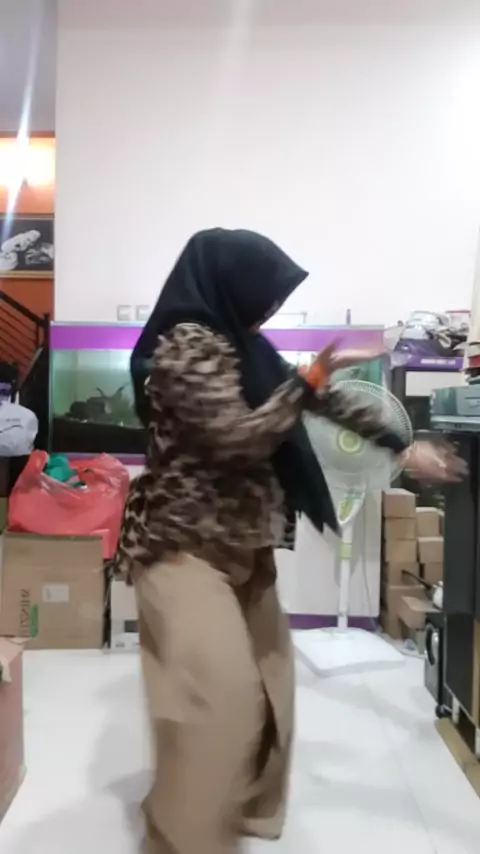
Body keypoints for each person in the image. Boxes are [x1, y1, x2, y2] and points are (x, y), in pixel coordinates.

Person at [115, 228, 464, 854]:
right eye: (266, 295)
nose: (271, 309)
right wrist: (309, 380)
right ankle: (182, 837)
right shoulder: (186, 345)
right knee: (214, 705)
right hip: (182, 547)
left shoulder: (247, 346)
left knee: (271, 696)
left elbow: (324, 403)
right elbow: (235, 438)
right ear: (232, 284)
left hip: (245, 546)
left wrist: (401, 447)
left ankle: (235, 815)